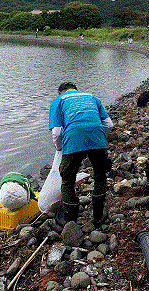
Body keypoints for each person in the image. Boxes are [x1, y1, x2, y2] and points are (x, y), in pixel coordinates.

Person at [49, 82, 114, 228]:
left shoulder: (58, 100)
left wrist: (60, 148)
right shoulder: (91, 97)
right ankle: (98, 215)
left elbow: (57, 132)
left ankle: (70, 219)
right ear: (76, 90)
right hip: (97, 137)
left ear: (61, 92)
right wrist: (100, 139)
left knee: (67, 179)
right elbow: (109, 124)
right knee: (100, 175)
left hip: (73, 139)